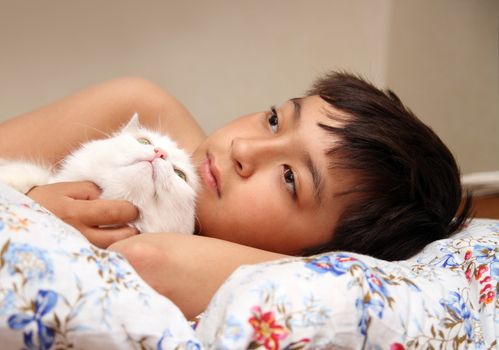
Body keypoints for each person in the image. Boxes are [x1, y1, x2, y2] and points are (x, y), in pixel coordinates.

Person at [0, 72, 472, 319]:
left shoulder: (289, 275)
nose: (243, 149)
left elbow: (151, 258)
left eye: (290, 179)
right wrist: (27, 209)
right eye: (273, 119)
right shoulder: (140, 107)